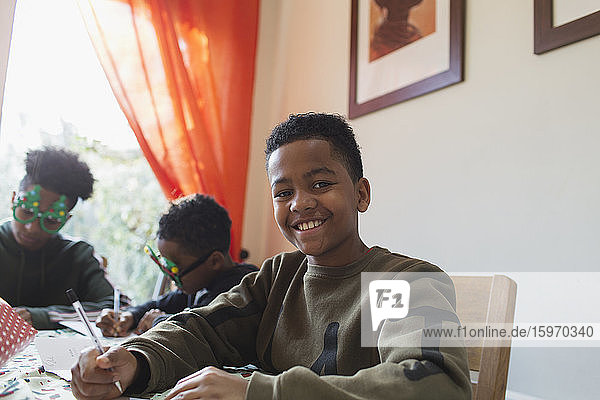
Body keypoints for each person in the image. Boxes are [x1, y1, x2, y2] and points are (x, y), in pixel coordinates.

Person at [71, 113, 471, 399]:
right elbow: (202, 329)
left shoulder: (396, 283)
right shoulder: (280, 275)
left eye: (320, 183)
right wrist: (137, 361)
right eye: (283, 192)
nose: (300, 203)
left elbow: (435, 384)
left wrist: (259, 392)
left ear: (361, 194)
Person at [95, 194, 258, 337]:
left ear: (214, 261)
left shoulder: (241, 290)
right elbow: (160, 304)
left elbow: (200, 329)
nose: (169, 275)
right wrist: (129, 316)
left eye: (175, 268)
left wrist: (158, 321)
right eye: (166, 265)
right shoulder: (199, 283)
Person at [0, 146, 114, 330]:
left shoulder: (79, 255)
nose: (32, 228)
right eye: (27, 211)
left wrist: (43, 317)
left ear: (66, 220)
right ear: (13, 199)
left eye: (51, 220)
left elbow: (118, 308)